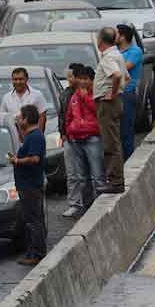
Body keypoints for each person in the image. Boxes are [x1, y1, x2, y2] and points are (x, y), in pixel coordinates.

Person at [9, 105, 46, 265]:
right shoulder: (30, 136)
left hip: (30, 185)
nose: (18, 119)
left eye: (20, 117)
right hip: (27, 184)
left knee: (33, 220)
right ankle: (33, 251)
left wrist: (17, 161)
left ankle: (36, 253)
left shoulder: (35, 136)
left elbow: (34, 158)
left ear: (27, 119)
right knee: (31, 219)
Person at [65, 66, 105, 214]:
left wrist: (84, 97)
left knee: (97, 175)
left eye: (85, 79)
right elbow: (69, 115)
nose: (82, 82)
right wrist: (69, 131)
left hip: (92, 138)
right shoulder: (74, 96)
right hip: (76, 139)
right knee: (82, 176)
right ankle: (88, 206)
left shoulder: (97, 94)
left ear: (92, 80)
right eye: (80, 79)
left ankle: (101, 206)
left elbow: (97, 111)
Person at [94, 26, 127, 194]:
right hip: (114, 103)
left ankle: (115, 181)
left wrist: (112, 93)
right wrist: (118, 91)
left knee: (110, 144)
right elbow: (126, 77)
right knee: (114, 141)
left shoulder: (108, 57)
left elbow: (117, 75)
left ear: (100, 40)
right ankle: (115, 179)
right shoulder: (117, 55)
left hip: (107, 104)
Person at [58, 63, 85, 218]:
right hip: (69, 138)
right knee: (72, 173)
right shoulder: (65, 94)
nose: (68, 79)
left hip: (87, 137)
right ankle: (74, 204)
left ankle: (89, 201)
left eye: (70, 76)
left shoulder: (87, 93)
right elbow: (62, 115)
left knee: (87, 173)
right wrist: (62, 133)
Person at [117, 24, 143, 160]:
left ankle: (128, 160)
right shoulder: (114, 51)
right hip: (114, 94)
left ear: (122, 37)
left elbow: (123, 69)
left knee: (126, 131)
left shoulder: (135, 51)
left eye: (116, 33)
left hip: (126, 93)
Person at [0, 67, 48, 133]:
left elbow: (42, 117)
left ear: (26, 79)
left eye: (21, 79)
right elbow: (2, 118)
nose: (18, 82)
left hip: (32, 134)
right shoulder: (6, 97)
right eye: (15, 79)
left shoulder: (37, 95)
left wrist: (38, 134)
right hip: (13, 135)